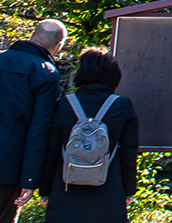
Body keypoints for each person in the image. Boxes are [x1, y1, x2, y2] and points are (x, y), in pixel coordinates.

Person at [0, 19, 65, 223]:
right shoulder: (46, 73)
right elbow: (39, 129)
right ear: (58, 45)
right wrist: (30, 178)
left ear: (32, 35)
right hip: (9, 165)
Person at [39, 48, 137, 223]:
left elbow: (51, 150)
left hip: (66, 188)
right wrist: (129, 190)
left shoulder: (64, 105)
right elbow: (128, 152)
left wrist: (45, 190)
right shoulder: (122, 105)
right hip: (108, 188)